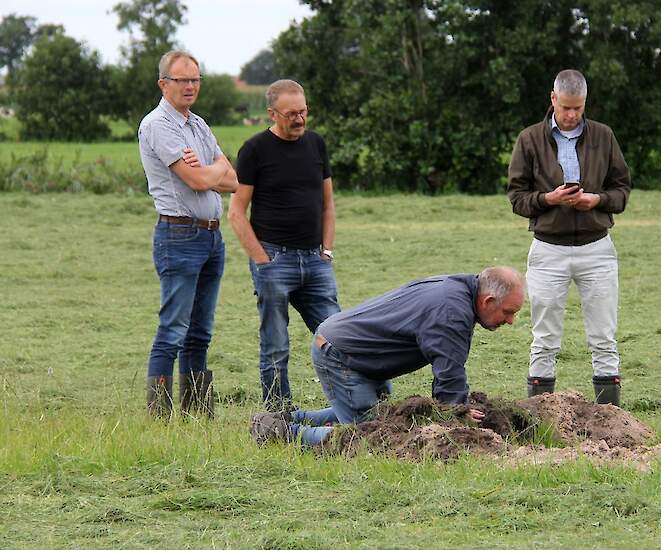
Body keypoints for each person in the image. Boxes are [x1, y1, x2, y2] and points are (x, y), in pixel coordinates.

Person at [249, 266, 525, 447]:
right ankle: (284, 434)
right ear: (488, 301)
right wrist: (457, 418)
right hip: (343, 356)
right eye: (508, 312)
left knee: (380, 416)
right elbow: (449, 376)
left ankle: (288, 417)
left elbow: (449, 371)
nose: (510, 321)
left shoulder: (457, 290)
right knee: (368, 437)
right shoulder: (452, 313)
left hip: (358, 352)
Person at [506, 69, 631, 406]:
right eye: (566, 108)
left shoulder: (604, 136)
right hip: (548, 250)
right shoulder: (529, 139)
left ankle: (611, 422)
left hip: (597, 248)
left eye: (578, 108)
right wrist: (549, 199)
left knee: (604, 337)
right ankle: (539, 415)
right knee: (544, 338)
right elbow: (516, 198)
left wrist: (597, 200)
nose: (572, 115)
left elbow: (622, 190)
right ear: (553, 100)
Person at [228, 79, 340, 412]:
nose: (299, 119)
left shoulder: (317, 145)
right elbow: (236, 212)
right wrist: (263, 261)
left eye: (303, 112)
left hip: (316, 261)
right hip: (274, 258)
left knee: (339, 335)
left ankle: (357, 406)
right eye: (291, 114)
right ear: (272, 113)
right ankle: (279, 416)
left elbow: (328, 204)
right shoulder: (254, 150)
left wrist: (327, 251)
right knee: (276, 345)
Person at [139, 51, 239, 418]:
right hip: (178, 236)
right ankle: (160, 418)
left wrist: (210, 173)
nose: (190, 86)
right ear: (163, 83)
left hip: (212, 237)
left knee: (200, 333)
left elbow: (232, 179)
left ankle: (198, 414)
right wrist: (210, 173)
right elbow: (198, 179)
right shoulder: (157, 125)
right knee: (173, 330)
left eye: (195, 79)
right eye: (182, 80)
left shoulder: (197, 125)